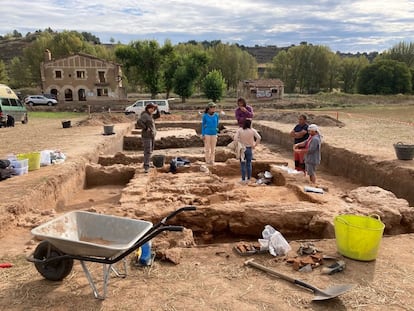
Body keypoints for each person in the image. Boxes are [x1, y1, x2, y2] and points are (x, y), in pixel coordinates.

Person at [233, 119, 261, 184]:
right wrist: (255, 145)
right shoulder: (252, 130)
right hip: (249, 148)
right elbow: (259, 138)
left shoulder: (240, 130)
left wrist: (237, 144)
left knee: (242, 164)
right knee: (249, 164)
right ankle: (248, 178)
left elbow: (235, 138)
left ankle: (243, 179)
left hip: (242, 149)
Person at [139, 103, 160, 173]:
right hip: (146, 136)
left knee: (150, 150)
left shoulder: (150, 115)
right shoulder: (145, 115)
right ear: (148, 108)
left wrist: (157, 108)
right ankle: (146, 166)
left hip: (151, 135)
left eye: (153, 109)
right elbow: (139, 122)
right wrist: (145, 128)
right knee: (147, 151)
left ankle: (148, 163)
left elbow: (158, 116)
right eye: (151, 108)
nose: (152, 110)